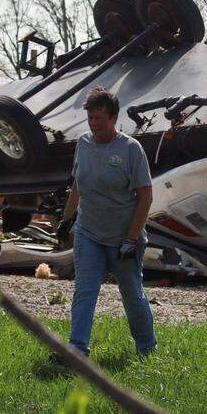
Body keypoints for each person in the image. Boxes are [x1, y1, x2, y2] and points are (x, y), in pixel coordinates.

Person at [58, 86, 157, 357]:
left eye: (99, 118)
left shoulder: (131, 149)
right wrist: (67, 220)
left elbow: (145, 198)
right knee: (84, 290)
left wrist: (131, 239)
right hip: (88, 232)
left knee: (131, 294)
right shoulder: (83, 144)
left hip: (123, 237)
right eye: (90, 117)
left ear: (113, 117)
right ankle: (77, 348)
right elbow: (78, 185)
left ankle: (146, 348)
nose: (93, 123)